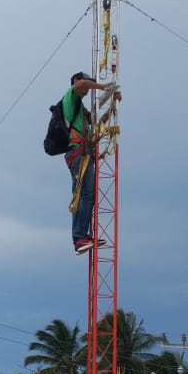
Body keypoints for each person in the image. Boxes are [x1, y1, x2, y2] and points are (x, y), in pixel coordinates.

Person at [62, 71, 120, 254]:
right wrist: (103, 87)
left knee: (84, 195)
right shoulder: (71, 96)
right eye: (87, 83)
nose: (88, 88)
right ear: (77, 81)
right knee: (84, 194)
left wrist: (113, 106)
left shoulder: (82, 112)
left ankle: (80, 237)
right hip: (78, 154)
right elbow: (80, 86)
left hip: (84, 155)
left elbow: (95, 126)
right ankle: (79, 237)